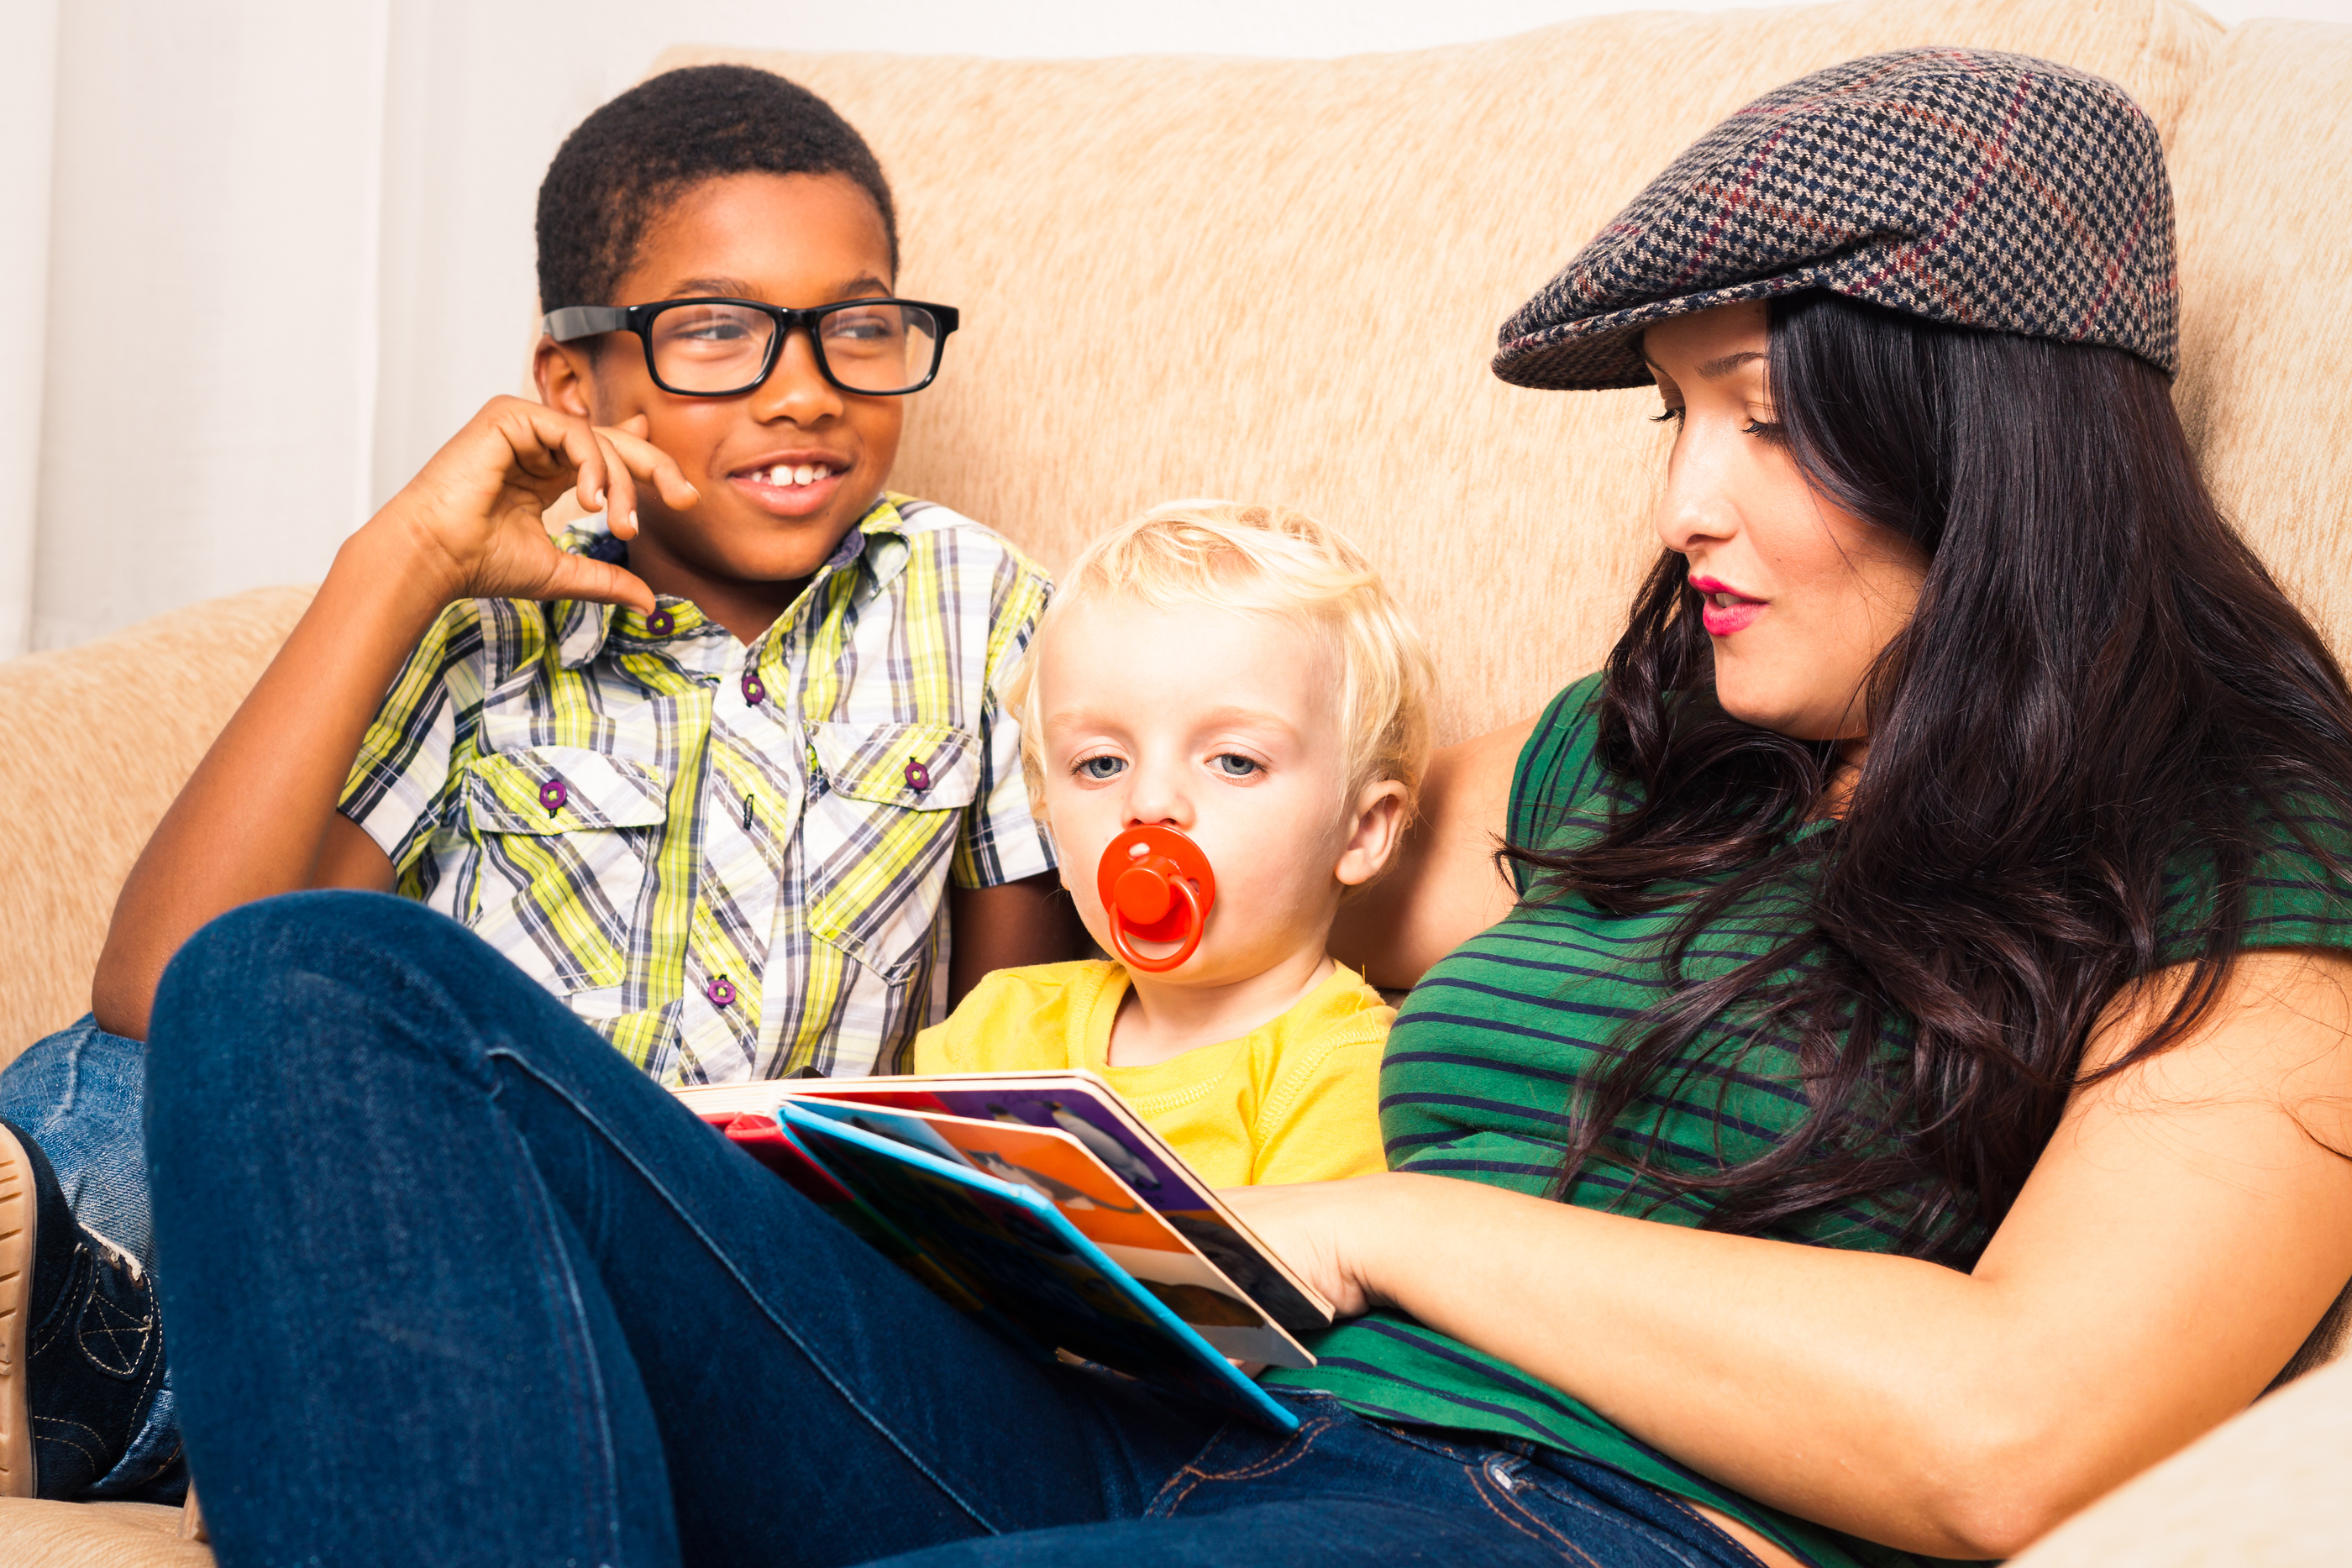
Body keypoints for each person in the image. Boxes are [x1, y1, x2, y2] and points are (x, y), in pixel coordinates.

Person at [78, 45, 2352, 1568]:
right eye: (1670, 421)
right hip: (1182, 1425)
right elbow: (1261, 852)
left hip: (1554, 1513)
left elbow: (2014, 1428)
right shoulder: (1640, 755)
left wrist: (1378, 1228)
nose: (1685, 502)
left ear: (1999, 437)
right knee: (310, 981)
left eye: (1757, 414)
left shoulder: (2243, 847)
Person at [0, 64, 1076, 1502]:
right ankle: (88, 1310)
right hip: (397, 1167)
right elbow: (177, 981)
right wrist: (400, 564)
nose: (806, 389)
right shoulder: (490, 632)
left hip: (697, 1235)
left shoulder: (976, 609)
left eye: (859, 326)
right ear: (576, 384)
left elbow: (1016, 1037)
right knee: (179, 1123)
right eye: (717, 334)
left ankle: (123, 1365)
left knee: (433, 1299)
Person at [915, 502, 1433, 1185]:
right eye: (1101, 764)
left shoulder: (1338, 1068)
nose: (1150, 803)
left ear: (1362, 830)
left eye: (1235, 761)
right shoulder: (999, 1027)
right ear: (1049, 822)